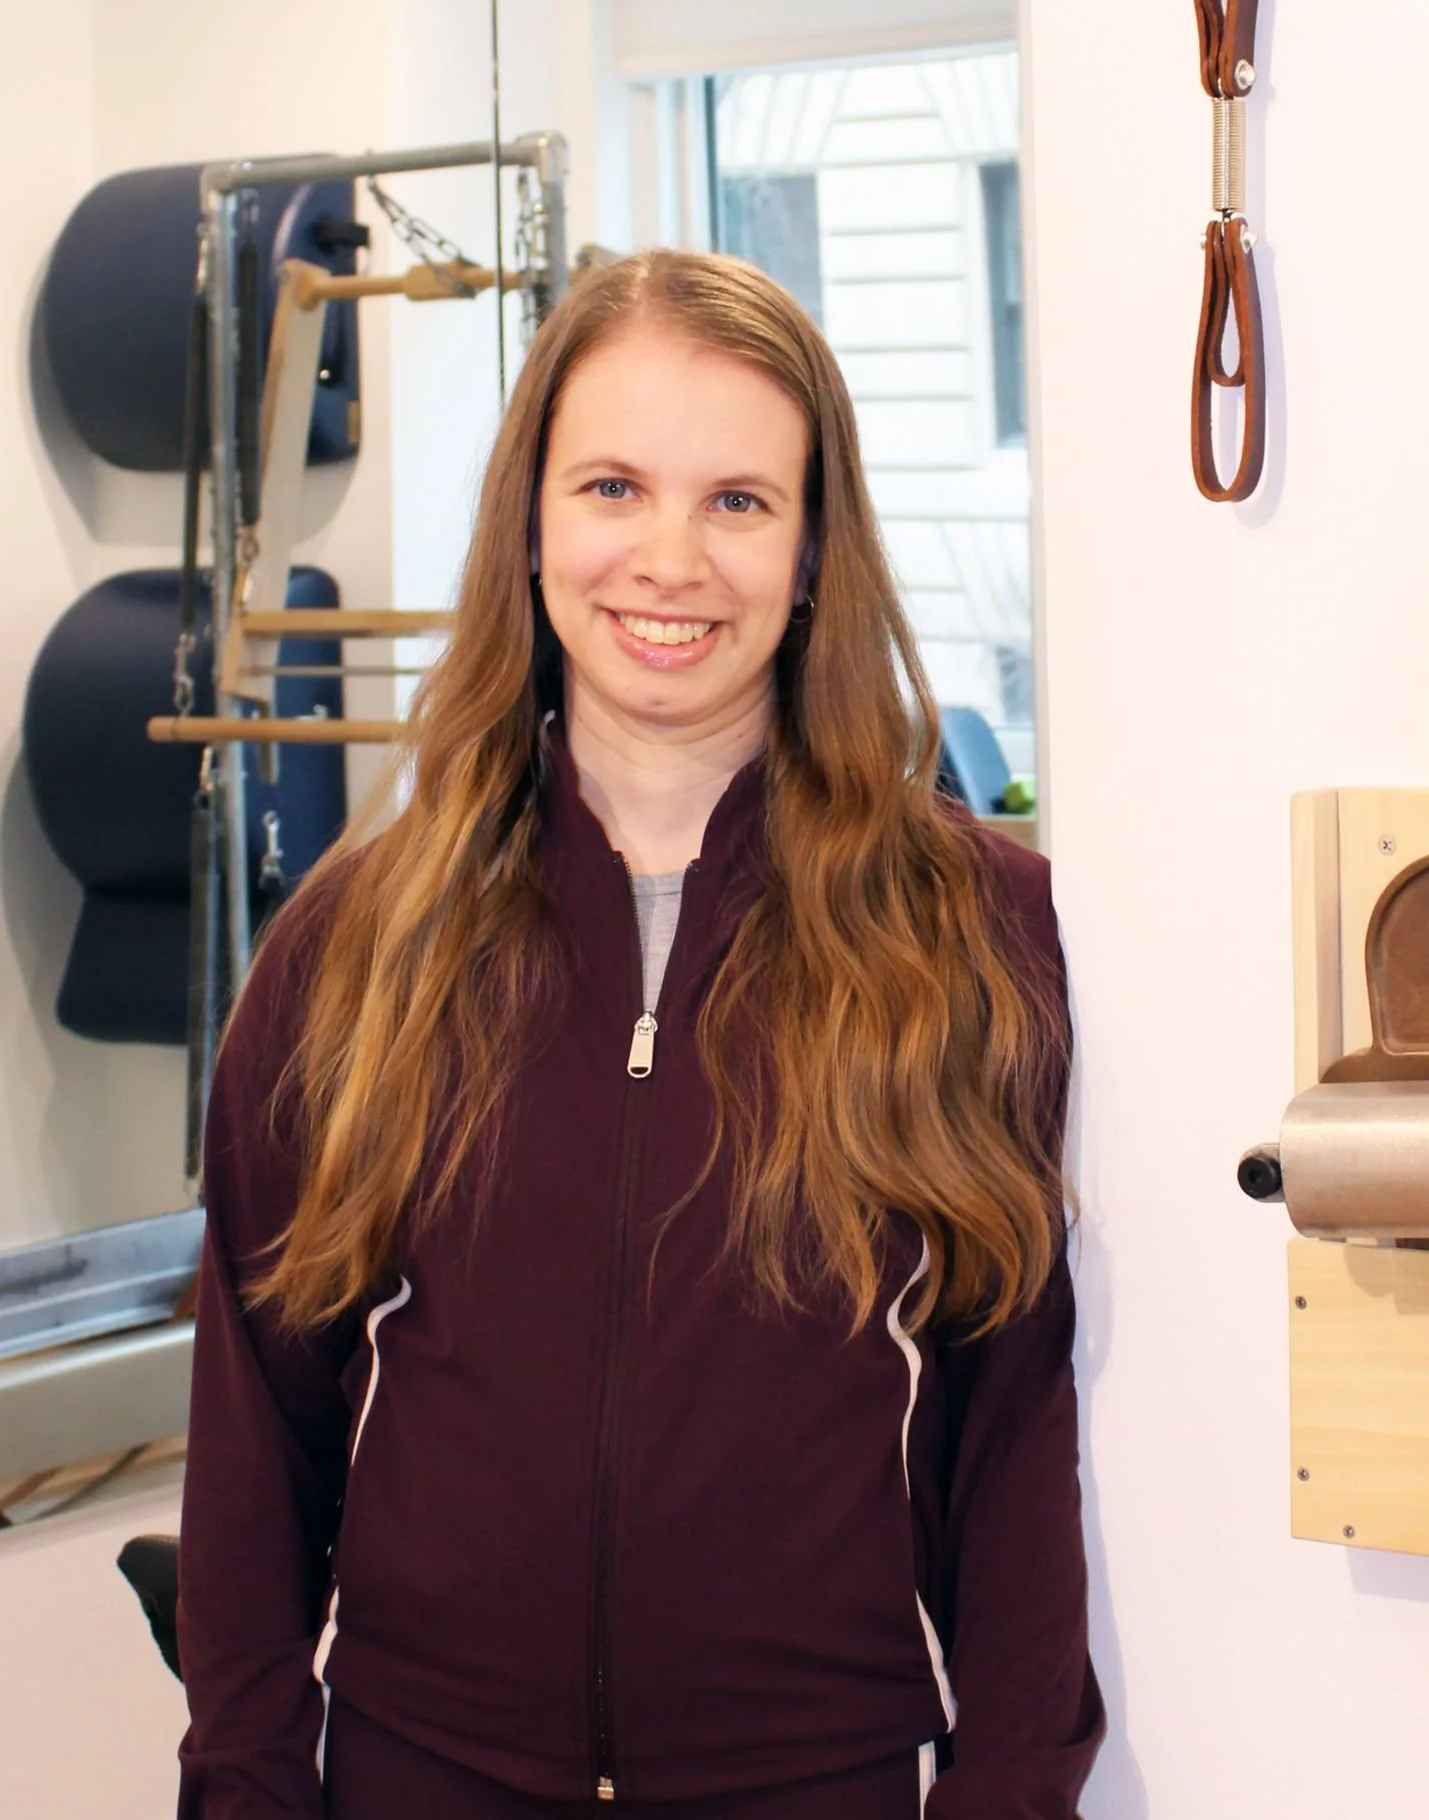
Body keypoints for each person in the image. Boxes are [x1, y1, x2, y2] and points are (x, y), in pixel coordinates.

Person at [176, 249, 1104, 1820]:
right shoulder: (354, 947)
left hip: (823, 1783)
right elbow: (256, 1430)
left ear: (811, 551)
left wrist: (1011, 1791)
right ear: (532, 521)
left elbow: (1013, 1424)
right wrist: (246, 1787)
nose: (670, 561)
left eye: (738, 500)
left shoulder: (977, 934)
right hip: (420, 1778)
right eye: (613, 487)